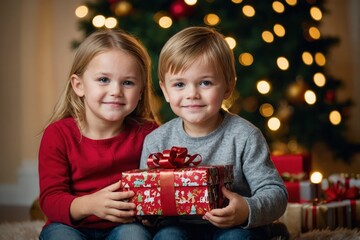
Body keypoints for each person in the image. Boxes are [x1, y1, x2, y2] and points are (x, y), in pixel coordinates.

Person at [139, 26, 288, 240]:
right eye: (179, 84)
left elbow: (276, 194)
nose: (192, 94)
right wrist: (147, 214)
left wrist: (245, 210)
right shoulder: (156, 141)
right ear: (165, 91)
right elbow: (150, 198)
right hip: (178, 227)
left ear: (228, 87)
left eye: (205, 83)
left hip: (234, 226)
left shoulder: (245, 136)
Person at [38, 29, 158, 240]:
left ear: (140, 92)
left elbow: (161, 187)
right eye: (103, 79)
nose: (116, 91)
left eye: (128, 82)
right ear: (79, 85)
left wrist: (153, 215)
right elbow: (50, 199)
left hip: (126, 225)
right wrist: (90, 204)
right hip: (70, 226)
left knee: (135, 236)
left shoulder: (150, 134)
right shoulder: (58, 134)